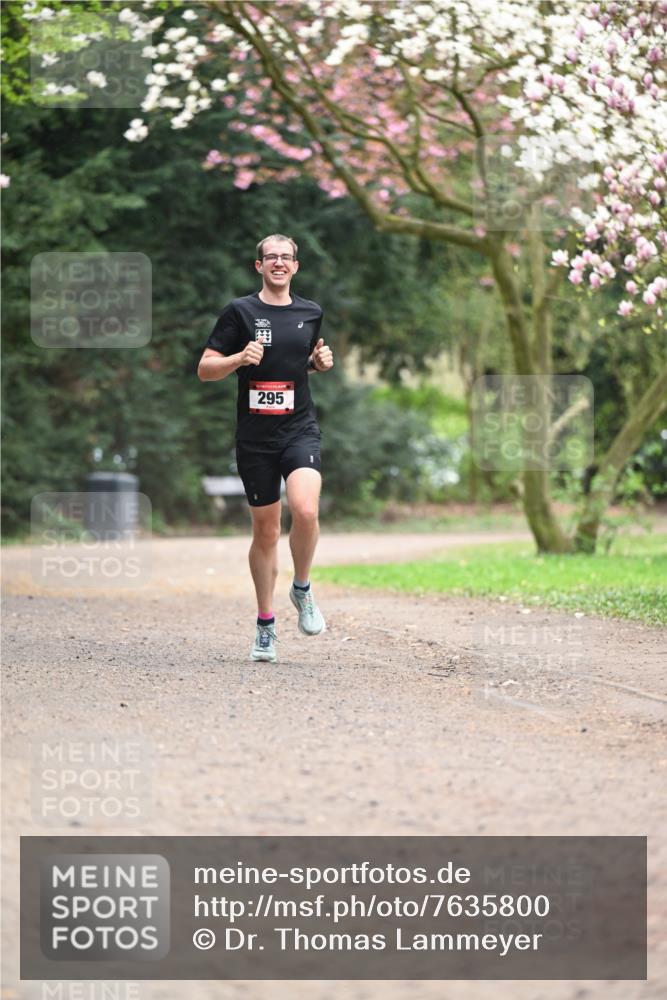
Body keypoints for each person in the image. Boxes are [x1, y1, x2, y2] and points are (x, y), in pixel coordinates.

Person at [198, 234, 334, 663]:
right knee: (267, 532)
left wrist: (318, 364)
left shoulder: (311, 312)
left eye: (286, 257)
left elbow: (299, 362)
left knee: (307, 510)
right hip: (256, 439)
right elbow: (205, 369)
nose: (278, 263)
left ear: (296, 265)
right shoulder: (240, 312)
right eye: (270, 257)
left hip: (299, 430)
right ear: (259, 265)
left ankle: (303, 588)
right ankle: (265, 624)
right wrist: (238, 358)